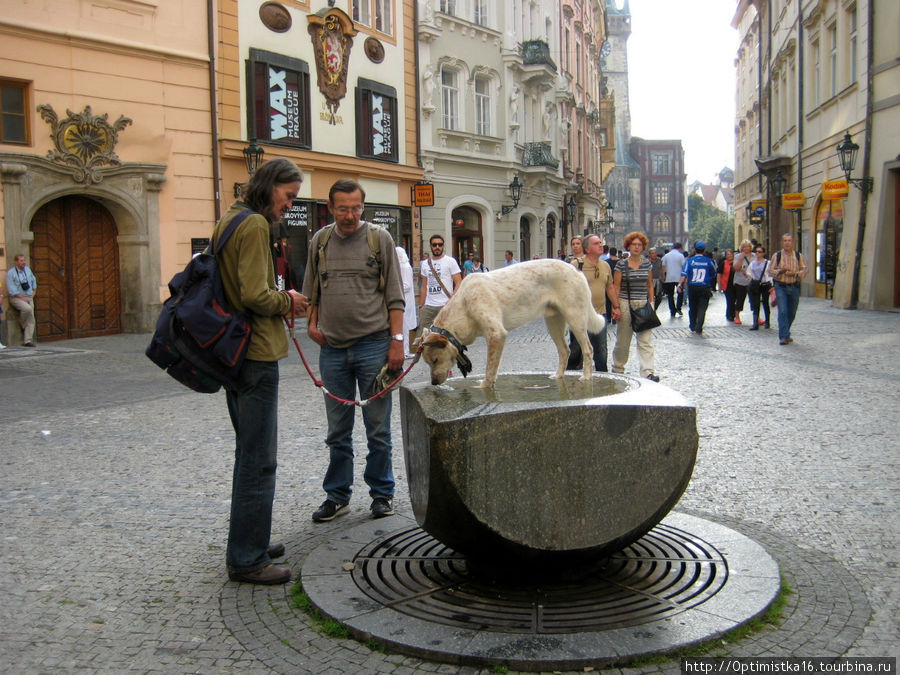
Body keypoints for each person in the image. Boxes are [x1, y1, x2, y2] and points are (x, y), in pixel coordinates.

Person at [215, 158, 308, 585]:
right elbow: (254, 294)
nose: (289, 205)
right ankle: (248, 558)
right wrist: (288, 300)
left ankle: (250, 538)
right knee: (258, 459)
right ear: (270, 186)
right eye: (288, 196)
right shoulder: (253, 225)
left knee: (249, 454)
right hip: (254, 353)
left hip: (234, 355)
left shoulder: (231, 218)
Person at [303, 179, 406, 522]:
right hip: (332, 350)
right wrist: (311, 325)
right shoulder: (320, 240)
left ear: (363, 207)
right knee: (337, 431)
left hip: (374, 346)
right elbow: (313, 289)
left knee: (378, 429)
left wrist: (397, 342)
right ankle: (337, 495)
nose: (349, 214)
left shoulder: (380, 239)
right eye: (342, 208)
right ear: (330, 208)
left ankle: (381, 494)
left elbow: (394, 295)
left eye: (356, 208)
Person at [612, 231, 659, 382]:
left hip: (643, 304)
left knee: (645, 340)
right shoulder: (621, 264)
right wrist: (616, 306)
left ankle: (647, 371)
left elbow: (650, 285)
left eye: (639, 244)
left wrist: (651, 303)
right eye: (634, 244)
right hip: (625, 303)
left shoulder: (647, 264)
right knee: (623, 340)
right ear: (629, 246)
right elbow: (616, 287)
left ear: (643, 247)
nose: (637, 247)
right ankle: (618, 368)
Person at [566, 234, 615, 372]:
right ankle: (571, 377)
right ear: (587, 249)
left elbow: (609, 286)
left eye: (600, 242)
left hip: (600, 314)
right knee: (576, 350)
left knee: (601, 350)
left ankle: (602, 377)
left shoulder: (605, 265)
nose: (600, 245)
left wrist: (616, 306)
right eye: (596, 243)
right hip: (579, 315)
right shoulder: (576, 265)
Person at [417, 234, 462, 338]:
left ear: (443, 246)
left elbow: (459, 282)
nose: (437, 247)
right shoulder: (425, 264)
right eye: (434, 245)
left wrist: (451, 301)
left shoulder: (450, 261)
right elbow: (424, 287)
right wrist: (421, 306)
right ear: (431, 246)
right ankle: (424, 354)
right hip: (429, 305)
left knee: (447, 337)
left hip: (445, 305)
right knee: (422, 337)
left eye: (440, 245)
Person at [770, 232, 808, 345]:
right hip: (780, 286)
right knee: (782, 311)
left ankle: (786, 331)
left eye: (789, 240)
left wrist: (796, 274)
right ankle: (783, 336)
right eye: (785, 241)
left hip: (794, 286)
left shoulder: (798, 256)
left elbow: (804, 269)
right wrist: (781, 271)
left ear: (793, 242)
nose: (787, 243)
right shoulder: (777, 256)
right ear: (782, 243)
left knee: (791, 312)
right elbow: (770, 271)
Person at [678, 241, 718, 335]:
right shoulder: (709, 261)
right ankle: (699, 326)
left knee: (692, 307)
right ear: (704, 250)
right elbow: (713, 274)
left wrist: (680, 284)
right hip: (704, 287)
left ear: (695, 249)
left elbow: (684, 274)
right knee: (702, 307)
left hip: (693, 286)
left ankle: (692, 325)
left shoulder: (689, 261)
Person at [6, 254, 37, 347]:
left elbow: (33, 280)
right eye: (21, 261)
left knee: (31, 318)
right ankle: (22, 323)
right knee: (27, 309)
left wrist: (34, 292)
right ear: (16, 262)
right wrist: (22, 298)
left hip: (28, 296)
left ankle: (27, 340)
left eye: (24, 260)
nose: (23, 262)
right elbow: (11, 289)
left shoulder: (27, 270)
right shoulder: (11, 273)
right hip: (16, 298)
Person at [395, 246, 418, 354]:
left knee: (405, 326)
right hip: (402, 299)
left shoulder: (405, 267)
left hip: (405, 300)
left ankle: (405, 351)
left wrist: (393, 288)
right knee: (402, 326)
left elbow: (407, 285)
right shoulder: (400, 266)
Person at [746, 245, 772, 330]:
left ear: (764, 253)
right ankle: (755, 323)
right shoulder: (753, 263)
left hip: (765, 284)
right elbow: (748, 272)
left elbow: (771, 274)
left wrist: (772, 285)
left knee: (765, 302)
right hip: (755, 284)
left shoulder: (768, 263)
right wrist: (752, 278)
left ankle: (767, 321)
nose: (757, 253)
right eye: (756, 251)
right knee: (756, 303)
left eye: (760, 251)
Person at [731, 240, 754, 324]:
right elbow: (735, 268)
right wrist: (741, 258)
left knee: (754, 299)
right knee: (740, 299)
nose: (746, 248)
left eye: (748, 246)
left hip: (751, 281)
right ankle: (737, 316)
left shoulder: (754, 256)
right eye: (744, 246)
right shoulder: (737, 256)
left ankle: (756, 316)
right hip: (740, 281)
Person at [661, 242, 685, 318]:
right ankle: (678, 308)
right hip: (679, 278)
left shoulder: (666, 256)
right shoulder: (681, 256)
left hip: (669, 277)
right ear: (680, 248)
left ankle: (672, 310)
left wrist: (663, 276)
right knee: (680, 293)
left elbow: (663, 267)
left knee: (670, 295)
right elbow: (684, 266)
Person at [718, 249, 735, 321]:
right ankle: (730, 314)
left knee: (734, 300)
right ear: (725, 256)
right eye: (728, 254)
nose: (729, 255)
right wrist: (719, 285)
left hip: (736, 284)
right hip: (726, 284)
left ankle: (733, 314)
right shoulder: (723, 263)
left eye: (730, 254)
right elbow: (719, 274)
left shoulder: (736, 263)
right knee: (730, 300)